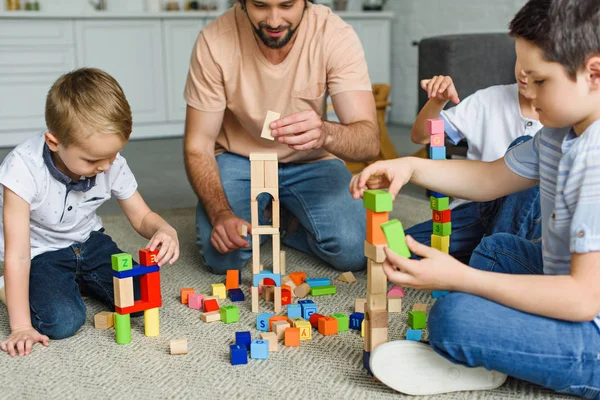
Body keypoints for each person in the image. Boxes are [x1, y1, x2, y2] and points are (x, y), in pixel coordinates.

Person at [349, 0, 600, 396]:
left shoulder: (595, 161)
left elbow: (583, 299)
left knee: (454, 319)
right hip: (566, 278)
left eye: (541, 81)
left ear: (594, 73)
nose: (529, 95)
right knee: (497, 250)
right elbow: (488, 177)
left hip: (590, 318)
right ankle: (501, 344)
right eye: (524, 77)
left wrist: (461, 277)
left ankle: (490, 352)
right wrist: (409, 168)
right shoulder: (557, 131)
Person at [183, 0, 379, 275]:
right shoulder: (215, 40)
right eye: (260, 5)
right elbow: (198, 144)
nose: (274, 21)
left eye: (287, 5)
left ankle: (285, 221)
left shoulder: (334, 35)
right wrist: (220, 214)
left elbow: (369, 142)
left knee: (355, 251)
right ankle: (268, 216)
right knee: (224, 257)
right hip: (240, 159)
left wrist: (325, 132)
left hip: (312, 161)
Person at [0, 68, 180, 357]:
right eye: (94, 159)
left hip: (90, 242)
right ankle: (10, 287)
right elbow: (18, 253)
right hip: (41, 252)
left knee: (142, 298)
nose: (107, 166)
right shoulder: (22, 169)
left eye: (113, 155)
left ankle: (77, 279)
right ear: (54, 142)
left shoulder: (110, 162)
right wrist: (20, 325)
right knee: (62, 322)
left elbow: (142, 216)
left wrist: (164, 229)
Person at [406, 62, 543, 263]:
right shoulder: (487, 100)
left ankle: (490, 262)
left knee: (527, 157)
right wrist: (437, 102)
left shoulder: (568, 115)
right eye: (520, 59)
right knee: (393, 250)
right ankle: (490, 256)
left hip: (536, 219)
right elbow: (421, 136)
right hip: (476, 210)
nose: (523, 71)